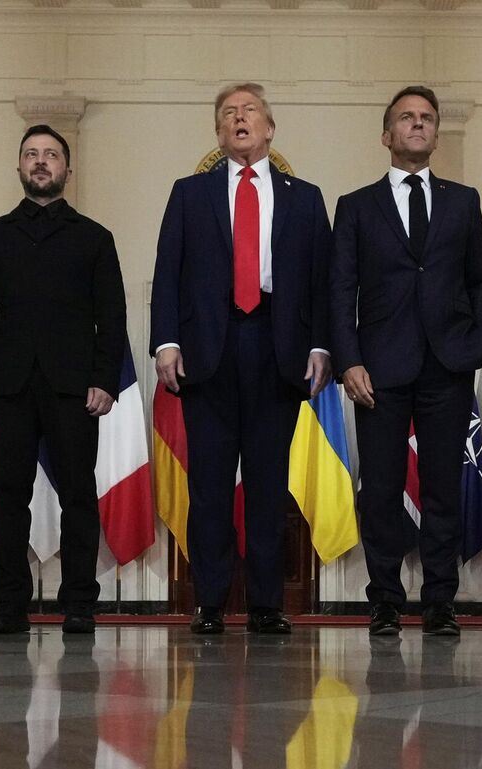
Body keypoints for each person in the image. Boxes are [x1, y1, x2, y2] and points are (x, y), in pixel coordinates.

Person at [151, 83, 332, 635]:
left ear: (270, 127)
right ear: (219, 132)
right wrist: (166, 343)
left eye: (249, 110)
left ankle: (266, 604)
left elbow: (322, 281)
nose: (239, 118)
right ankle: (208, 603)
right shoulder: (189, 193)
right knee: (208, 487)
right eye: (228, 113)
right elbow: (168, 273)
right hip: (209, 351)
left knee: (267, 485)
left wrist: (322, 345)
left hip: (278, 351)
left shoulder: (305, 197)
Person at [330, 85, 482, 637]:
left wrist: (475, 347)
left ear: (435, 133)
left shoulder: (463, 200)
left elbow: (481, 283)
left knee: (444, 486)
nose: (418, 125)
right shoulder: (355, 206)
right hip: (378, 368)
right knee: (379, 488)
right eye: (406, 118)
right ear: (387, 135)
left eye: (426, 118)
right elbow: (340, 290)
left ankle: (440, 600)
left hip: (447, 366)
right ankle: (384, 600)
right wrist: (347, 361)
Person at [0, 125, 129, 635]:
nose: (40, 161)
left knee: (79, 494)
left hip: (75, 385)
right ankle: (9, 604)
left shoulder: (95, 238)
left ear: (66, 171)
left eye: (51, 154)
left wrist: (105, 379)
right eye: (31, 153)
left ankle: (79, 602)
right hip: (8, 383)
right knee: (8, 495)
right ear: (20, 167)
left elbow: (111, 316)